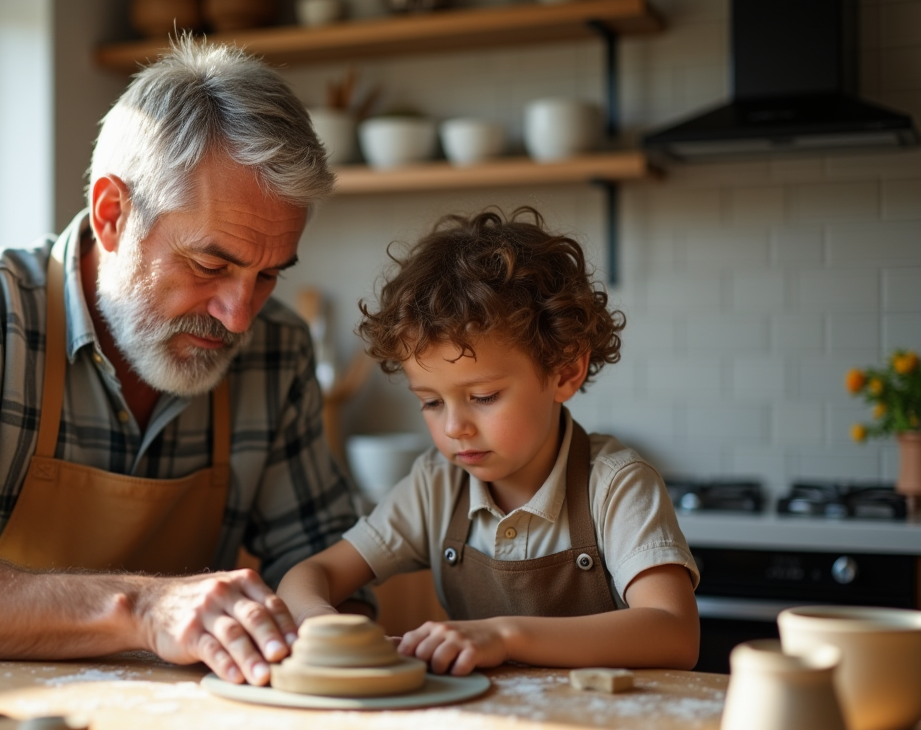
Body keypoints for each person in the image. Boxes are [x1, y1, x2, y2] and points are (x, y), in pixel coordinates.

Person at [0, 38, 366, 687]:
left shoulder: (275, 350)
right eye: (210, 265)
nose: (239, 316)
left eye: (268, 275)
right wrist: (142, 609)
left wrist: (323, 624)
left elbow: (331, 572)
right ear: (112, 214)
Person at [277, 207, 701, 675]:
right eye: (431, 402)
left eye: (483, 397)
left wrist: (503, 636)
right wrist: (317, 620)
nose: (454, 427)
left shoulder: (616, 486)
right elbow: (310, 574)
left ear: (565, 371)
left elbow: (674, 633)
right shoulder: (436, 486)